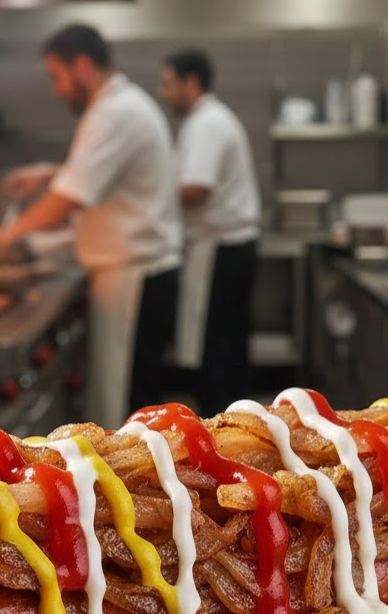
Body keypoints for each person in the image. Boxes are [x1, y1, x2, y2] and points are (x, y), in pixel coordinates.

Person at [0, 24, 181, 428]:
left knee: (134, 417)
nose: (56, 89)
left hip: (135, 281)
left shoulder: (112, 112)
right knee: (134, 407)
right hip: (136, 276)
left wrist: (8, 236)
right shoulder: (121, 105)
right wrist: (45, 174)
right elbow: (96, 172)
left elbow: (68, 199)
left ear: (83, 66)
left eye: (57, 76)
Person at [159, 48, 261, 416]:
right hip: (228, 247)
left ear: (191, 82)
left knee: (216, 351)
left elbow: (196, 188)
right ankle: (237, 423)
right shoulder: (207, 120)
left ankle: (221, 429)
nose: (164, 93)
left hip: (221, 250)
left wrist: (149, 196)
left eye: (168, 84)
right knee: (227, 347)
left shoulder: (207, 124)